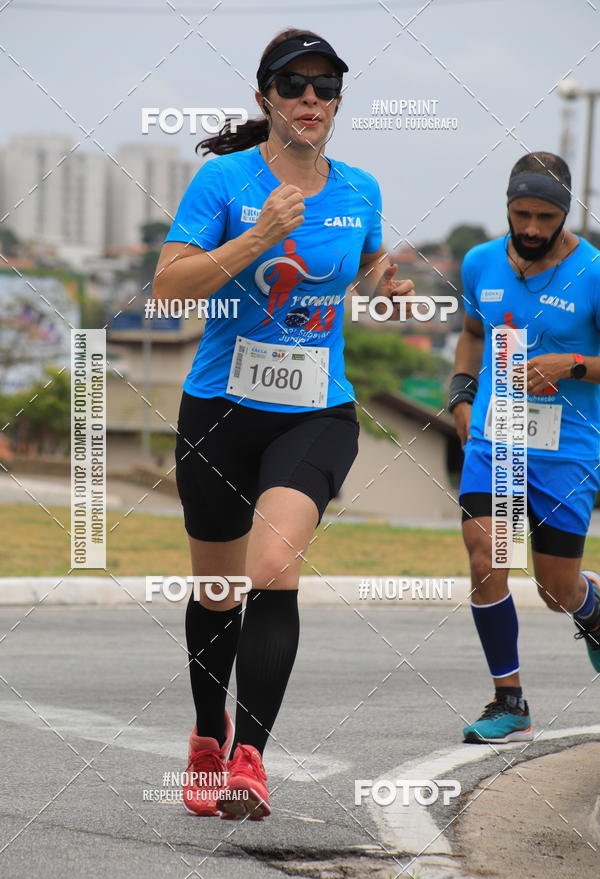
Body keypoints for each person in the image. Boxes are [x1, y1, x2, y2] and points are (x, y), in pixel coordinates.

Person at [153, 28, 414, 818]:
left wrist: (384, 286)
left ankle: (250, 761)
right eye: (293, 85)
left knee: (272, 569)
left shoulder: (360, 188)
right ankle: (207, 733)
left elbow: (362, 263)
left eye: (325, 86)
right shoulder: (223, 181)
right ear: (264, 95)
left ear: (338, 100)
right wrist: (259, 237)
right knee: (221, 590)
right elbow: (168, 290)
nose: (310, 99)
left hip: (316, 412)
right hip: (219, 412)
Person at [449, 151, 600, 744]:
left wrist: (575, 364)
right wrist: (461, 397)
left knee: (555, 590)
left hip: (567, 450)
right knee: (487, 555)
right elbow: (469, 333)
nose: (532, 229)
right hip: (496, 437)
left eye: (545, 217)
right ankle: (507, 699)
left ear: (564, 213)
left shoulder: (593, 272)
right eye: (521, 214)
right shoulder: (480, 262)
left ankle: (590, 609)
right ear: (507, 208)